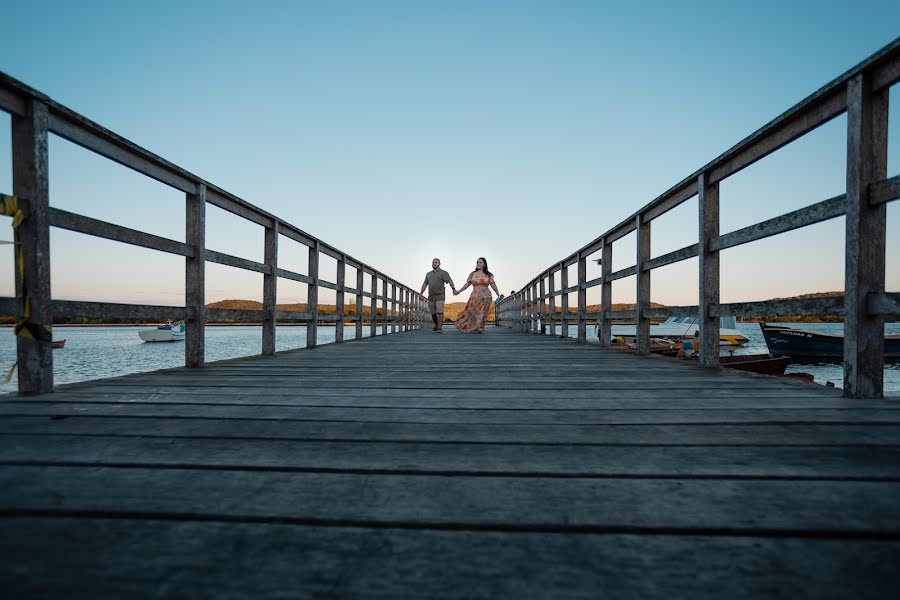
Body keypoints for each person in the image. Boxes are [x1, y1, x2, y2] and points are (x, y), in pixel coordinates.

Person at [453, 257, 500, 334]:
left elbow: (492, 284)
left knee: (483, 312)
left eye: (480, 262)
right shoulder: (472, 274)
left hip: (486, 296)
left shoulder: (488, 275)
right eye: (477, 262)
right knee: (471, 311)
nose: (478, 264)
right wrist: (459, 291)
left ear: (484, 264)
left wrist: (497, 292)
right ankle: (472, 326)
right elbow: (467, 284)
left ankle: (480, 328)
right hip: (474, 296)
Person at [420, 258, 456, 333]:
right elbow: (425, 284)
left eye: (436, 262)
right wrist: (421, 293)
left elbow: (449, 281)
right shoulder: (428, 274)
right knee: (433, 313)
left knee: (440, 312)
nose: (434, 263)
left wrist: (453, 289)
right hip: (431, 296)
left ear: (439, 264)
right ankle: (437, 326)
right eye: (433, 262)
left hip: (440, 295)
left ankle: (439, 328)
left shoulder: (443, 273)